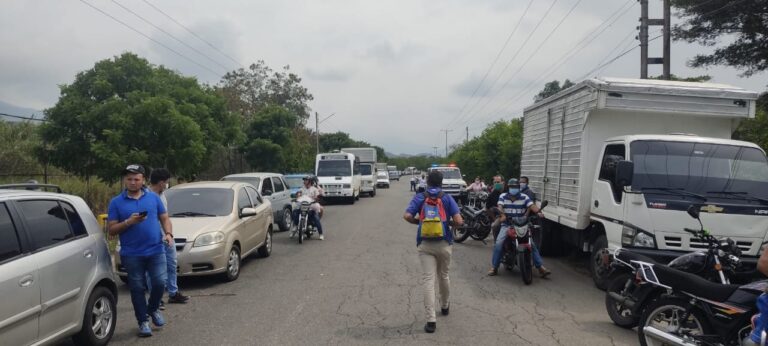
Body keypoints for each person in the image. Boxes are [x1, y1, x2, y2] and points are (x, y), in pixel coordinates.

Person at [107, 164, 171, 337]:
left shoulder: (153, 198)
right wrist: (129, 222)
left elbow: (164, 218)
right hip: (132, 253)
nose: (133, 182)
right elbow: (111, 230)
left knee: (159, 283)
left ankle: (153, 309)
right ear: (124, 180)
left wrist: (169, 234)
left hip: (156, 249)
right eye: (129, 179)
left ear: (143, 180)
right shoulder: (116, 202)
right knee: (137, 288)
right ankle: (143, 321)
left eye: (136, 179)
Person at [403, 171, 463, 334]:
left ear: (427, 182)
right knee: (443, 275)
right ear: (441, 182)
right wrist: (450, 224)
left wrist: (420, 223)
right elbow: (458, 221)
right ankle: (444, 306)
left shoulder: (420, 197)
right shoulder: (447, 198)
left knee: (428, 280)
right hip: (444, 243)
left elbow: (407, 215)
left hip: (425, 244)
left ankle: (431, 321)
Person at [487, 178, 551, 278]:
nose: (514, 189)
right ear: (509, 187)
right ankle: (494, 267)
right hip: (507, 225)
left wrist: (538, 212)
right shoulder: (503, 196)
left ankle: (540, 268)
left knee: (532, 245)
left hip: (522, 225)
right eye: (512, 187)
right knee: (499, 243)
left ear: (518, 188)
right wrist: (502, 214)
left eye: (516, 187)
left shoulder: (524, 197)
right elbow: (500, 207)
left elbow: (532, 205)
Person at [147, 168, 189, 306]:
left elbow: (165, 217)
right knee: (153, 270)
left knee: (171, 264)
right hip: (153, 239)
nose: (167, 184)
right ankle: (156, 298)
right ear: (160, 182)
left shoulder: (162, 194)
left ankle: (173, 293)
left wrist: (169, 234)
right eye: (166, 182)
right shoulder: (146, 196)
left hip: (168, 237)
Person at [291, 176, 324, 240]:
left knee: (316, 218)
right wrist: (297, 196)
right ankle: (295, 227)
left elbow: (317, 196)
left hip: (311, 206)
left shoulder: (314, 189)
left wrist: (317, 198)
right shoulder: (302, 189)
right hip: (302, 206)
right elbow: (298, 195)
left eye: (306, 180)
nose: (304, 181)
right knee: (295, 212)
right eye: (304, 180)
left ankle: (321, 234)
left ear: (309, 181)